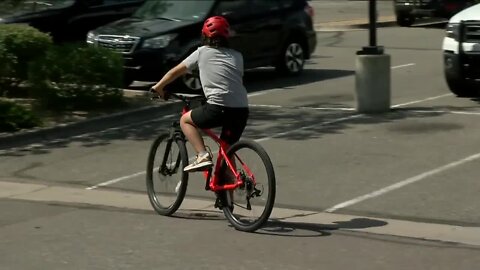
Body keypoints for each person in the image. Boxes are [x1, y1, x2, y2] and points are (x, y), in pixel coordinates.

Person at [150, 16, 249, 172]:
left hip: (218, 107)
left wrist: (159, 87)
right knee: (227, 151)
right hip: (241, 110)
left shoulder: (202, 52)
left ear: (204, 35)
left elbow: (176, 71)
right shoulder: (238, 56)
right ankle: (230, 192)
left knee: (185, 121)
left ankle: (202, 155)